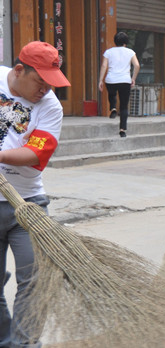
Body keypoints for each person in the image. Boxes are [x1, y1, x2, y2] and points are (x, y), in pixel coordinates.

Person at [0, 41, 70, 347]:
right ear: (19, 70)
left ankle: (24, 344)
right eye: (40, 82)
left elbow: (34, 153)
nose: (45, 90)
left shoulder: (51, 106)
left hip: (27, 205)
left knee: (33, 282)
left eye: (50, 84)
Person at [98, 32, 140, 138]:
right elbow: (137, 65)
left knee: (112, 94)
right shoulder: (130, 52)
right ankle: (122, 130)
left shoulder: (108, 52)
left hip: (111, 80)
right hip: (125, 80)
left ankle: (112, 108)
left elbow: (104, 66)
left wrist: (100, 80)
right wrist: (133, 78)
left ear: (115, 41)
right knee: (124, 106)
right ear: (126, 42)